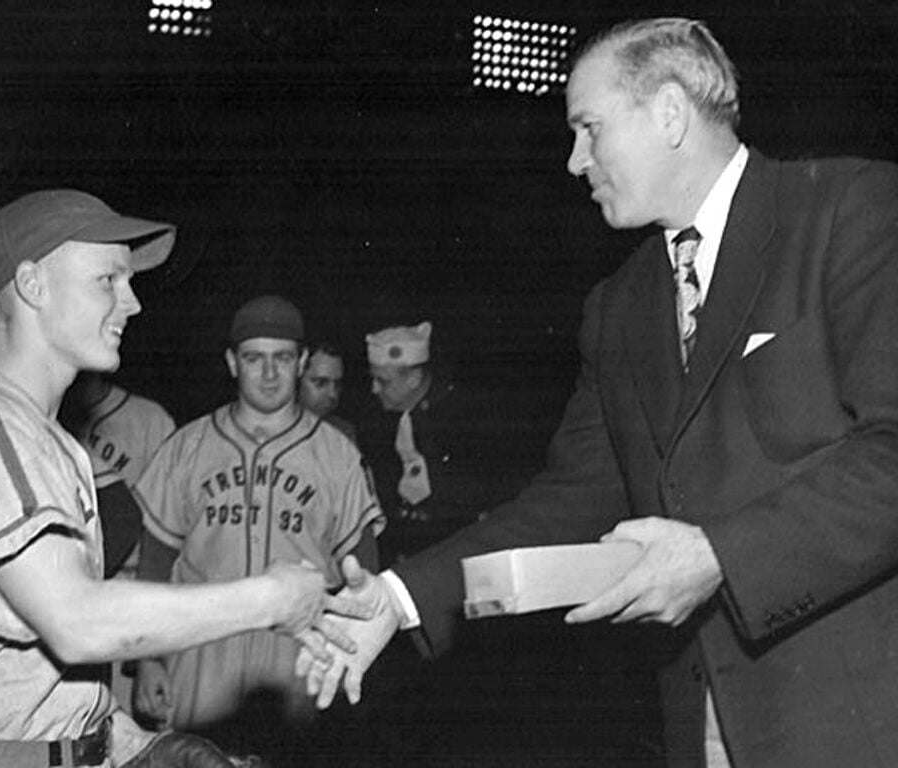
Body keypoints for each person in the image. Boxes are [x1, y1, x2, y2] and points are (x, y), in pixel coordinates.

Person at [300, 17, 898, 768]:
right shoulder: (619, 306)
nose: (575, 160)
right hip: (703, 722)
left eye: (589, 128)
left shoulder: (851, 211)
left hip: (862, 715)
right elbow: (572, 501)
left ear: (671, 113)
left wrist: (720, 556)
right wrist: (400, 596)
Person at [0, 189, 365, 768]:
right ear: (33, 284)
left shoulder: (39, 434)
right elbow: (77, 623)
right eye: (107, 280)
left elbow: (28, 680)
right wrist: (273, 598)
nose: (131, 303)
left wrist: (137, 744)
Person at [131, 295, 384, 755]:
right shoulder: (186, 447)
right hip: (201, 654)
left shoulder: (338, 456)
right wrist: (148, 659)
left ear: (302, 361)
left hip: (299, 662)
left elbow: (363, 576)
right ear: (232, 362)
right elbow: (154, 565)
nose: (269, 374)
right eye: (254, 358)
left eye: (282, 358)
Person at [360, 321, 521, 565]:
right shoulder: (377, 425)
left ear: (414, 378)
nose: (374, 389)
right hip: (403, 552)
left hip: (457, 551)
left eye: (383, 381)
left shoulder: (467, 418)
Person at [60, 371, 176, 578]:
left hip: (130, 576)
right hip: (66, 574)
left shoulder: (150, 419)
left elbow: (168, 520)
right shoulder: (45, 416)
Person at [297, 340, 356, 443]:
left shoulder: (343, 432)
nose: (332, 394)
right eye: (321, 383)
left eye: (337, 384)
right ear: (296, 382)